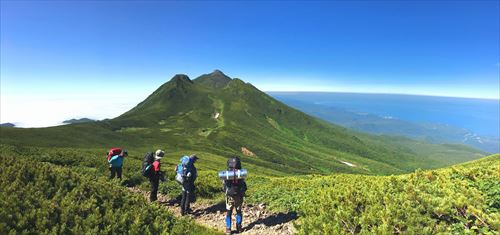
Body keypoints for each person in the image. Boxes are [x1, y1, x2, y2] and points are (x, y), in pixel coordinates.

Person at [224, 157, 247, 234]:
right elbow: (244, 185)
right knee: (238, 211)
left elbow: (225, 185)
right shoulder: (241, 173)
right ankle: (239, 227)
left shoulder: (227, 173)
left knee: (229, 212)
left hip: (229, 195)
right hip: (239, 195)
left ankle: (228, 229)